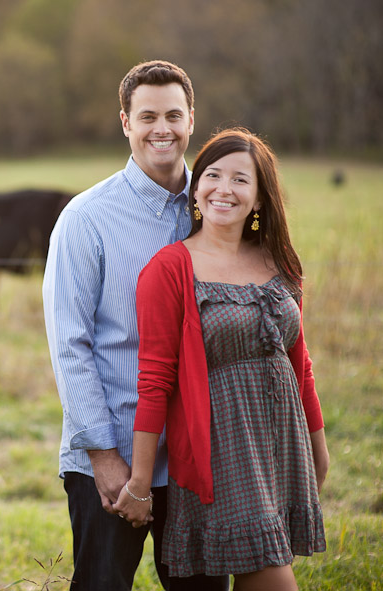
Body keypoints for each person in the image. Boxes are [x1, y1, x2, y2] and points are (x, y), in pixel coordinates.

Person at [114, 127, 329, 590]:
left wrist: (318, 442)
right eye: (212, 175)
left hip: (280, 443)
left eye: (240, 179)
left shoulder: (280, 261)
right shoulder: (169, 269)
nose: (223, 189)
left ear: (259, 198)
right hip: (223, 450)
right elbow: (154, 380)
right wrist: (141, 481)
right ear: (196, 189)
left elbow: (300, 362)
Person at [42, 60, 228, 590]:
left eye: (174, 114)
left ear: (192, 119)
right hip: (112, 455)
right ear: (125, 122)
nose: (162, 128)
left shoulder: (218, 207)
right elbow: (70, 346)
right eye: (148, 116)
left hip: (196, 457)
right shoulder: (86, 218)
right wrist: (104, 457)